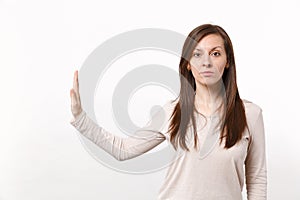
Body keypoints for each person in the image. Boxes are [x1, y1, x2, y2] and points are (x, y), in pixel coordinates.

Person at [69, 24, 267, 200]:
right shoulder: (173, 112)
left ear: (228, 61)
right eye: (197, 54)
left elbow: (256, 179)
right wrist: (81, 118)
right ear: (188, 64)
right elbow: (123, 150)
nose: (206, 62)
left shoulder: (251, 114)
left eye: (215, 53)